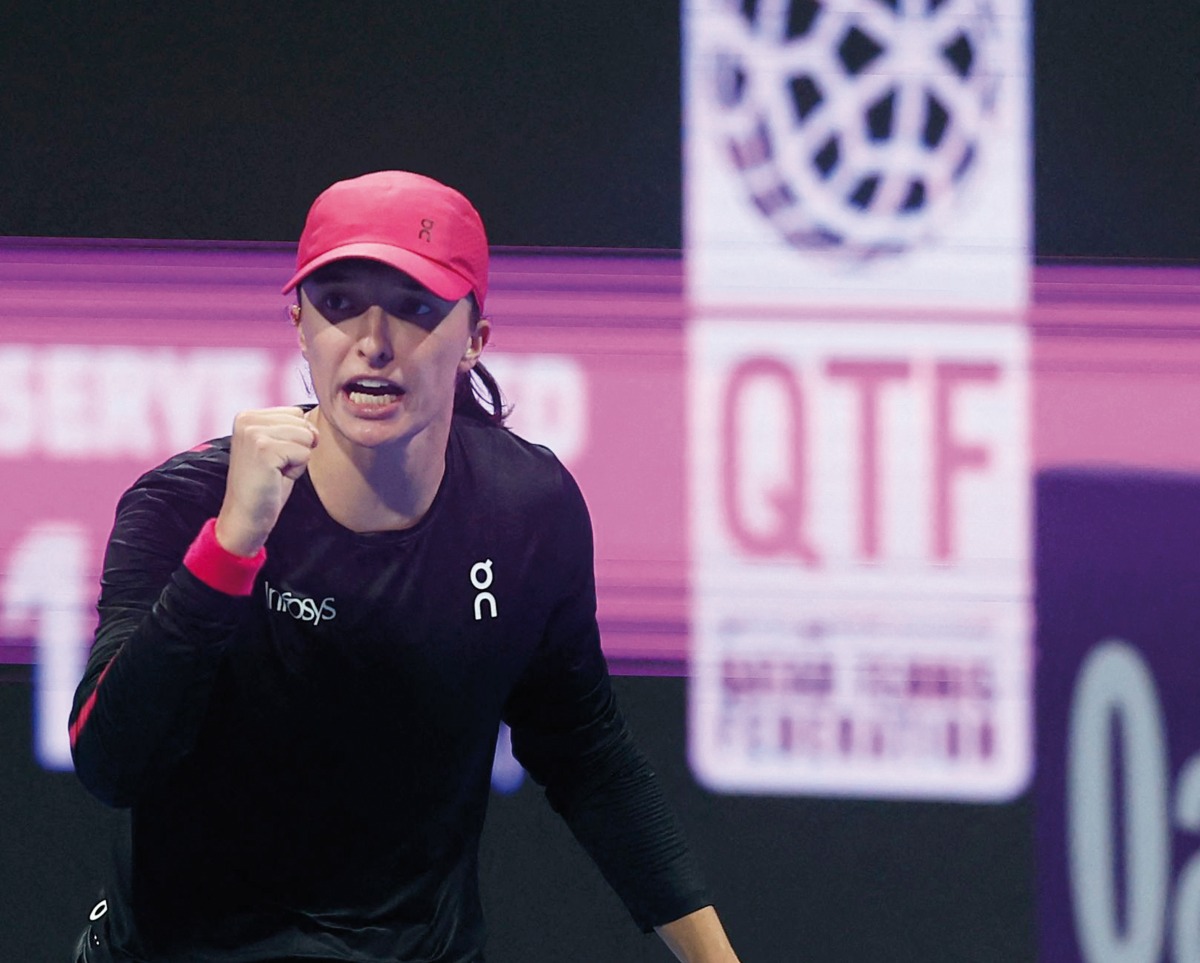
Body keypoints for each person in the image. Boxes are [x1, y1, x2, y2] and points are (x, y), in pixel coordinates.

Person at [69, 171, 742, 963]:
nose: (374, 339)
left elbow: (585, 751)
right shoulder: (184, 504)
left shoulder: (528, 511)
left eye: (417, 306)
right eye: (339, 301)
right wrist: (230, 547)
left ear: (477, 338)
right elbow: (112, 761)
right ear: (297, 324)